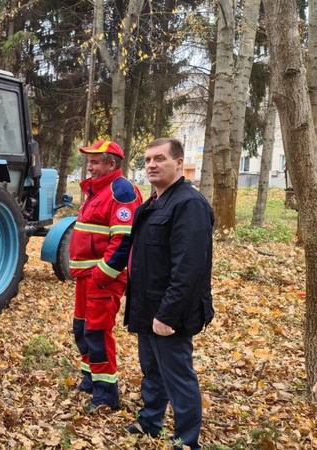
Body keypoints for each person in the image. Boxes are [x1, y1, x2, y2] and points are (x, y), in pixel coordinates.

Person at [124, 138, 214, 450]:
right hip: (147, 306)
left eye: (159, 159)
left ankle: (187, 440)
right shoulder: (152, 203)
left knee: (178, 375)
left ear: (179, 163)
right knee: (151, 369)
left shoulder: (189, 204)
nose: (151, 165)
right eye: (148, 159)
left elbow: (189, 269)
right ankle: (151, 421)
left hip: (170, 311)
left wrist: (167, 315)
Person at [69, 140, 143, 412]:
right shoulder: (96, 190)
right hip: (86, 277)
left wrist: (103, 274)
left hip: (102, 279)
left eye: (95, 162)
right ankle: (90, 377)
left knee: (98, 334)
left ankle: (106, 395)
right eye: (89, 162)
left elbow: (123, 240)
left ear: (112, 164)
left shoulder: (121, 191)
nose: (90, 167)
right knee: (82, 330)